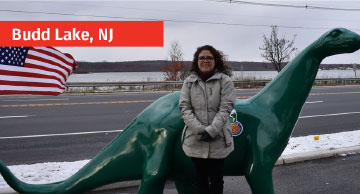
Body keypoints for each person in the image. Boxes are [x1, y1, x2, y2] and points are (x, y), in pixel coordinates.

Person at [179, 45, 236, 194]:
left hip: (218, 139)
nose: (205, 60)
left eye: (209, 57)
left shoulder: (225, 81)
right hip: (196, 139)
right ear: (197, 61)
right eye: (201, 58)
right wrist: (199, 130)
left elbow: (226, 108)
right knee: (200, 179)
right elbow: (185, 108)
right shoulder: (189, 82)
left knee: (217, 180)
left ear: (215, 60)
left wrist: (211, 130)